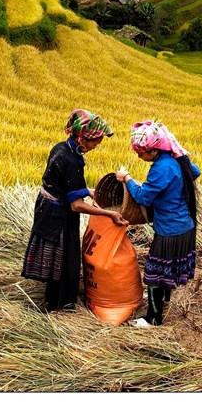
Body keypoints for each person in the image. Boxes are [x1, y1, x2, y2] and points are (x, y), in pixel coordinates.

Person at [22, 109, 129, 312]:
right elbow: (76, 205)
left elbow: (65, 186)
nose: (97, 145)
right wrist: (110, 214)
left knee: (62, 256)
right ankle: (58, 304)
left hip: (47, 207)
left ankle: (57, 299)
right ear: (82, 137)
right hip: (57, 215)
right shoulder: (70, 160)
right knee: (63, 257)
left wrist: (90, 191)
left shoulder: (62, 148)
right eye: (94, 141)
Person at [116, 120, 200, 326]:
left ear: (154, 150)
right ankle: (162, 300)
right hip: (185, 226)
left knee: (154, 274)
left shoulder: (161, 168)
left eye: (142, 153)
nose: (139, 156)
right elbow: (195, 172)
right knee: (167, 270)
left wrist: (127, 178)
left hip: (169, 230)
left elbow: (143, 197)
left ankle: (153, 318)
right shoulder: (177, 159)